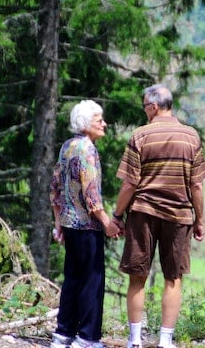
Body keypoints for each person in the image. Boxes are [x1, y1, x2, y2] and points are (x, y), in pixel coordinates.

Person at [111, 84, 205, 348]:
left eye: (145, 106)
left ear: (153, 107)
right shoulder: (191, 137)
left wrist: (117, 215)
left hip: (143, 212)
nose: (144, 111)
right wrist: (199, 220)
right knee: (173, 278)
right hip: (179, 216)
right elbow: (197, 185)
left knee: (137, 277)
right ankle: (165, 341)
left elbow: (130, 183)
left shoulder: (140, 135)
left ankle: (134, 340)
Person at [50, 100, 121, 348]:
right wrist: (108, 223)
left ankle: (63, 334)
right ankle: (87, 338)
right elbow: (92, 197)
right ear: (85, 123)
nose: (104, 123)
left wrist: (58, 224)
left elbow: (55, 189)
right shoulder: (88, 150)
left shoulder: (67, 146)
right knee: (92, 280)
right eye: (98, 119)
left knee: (72, 279)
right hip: (88, 227)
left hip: (70, 225)